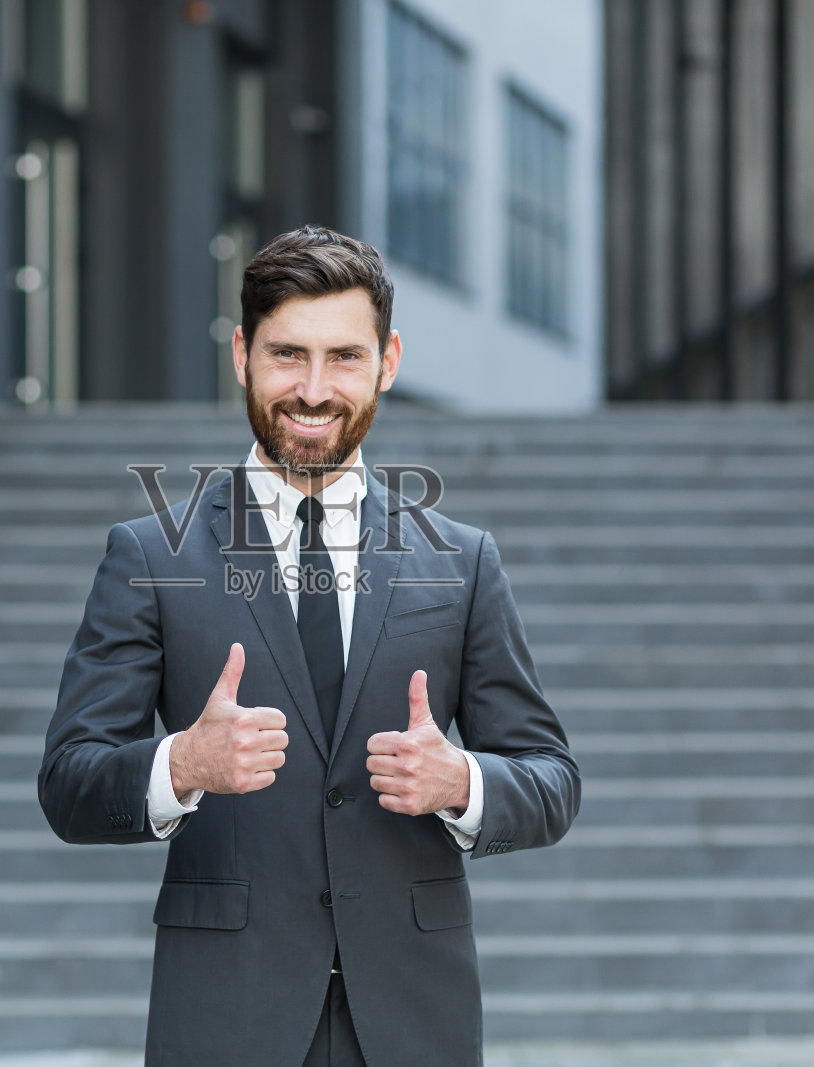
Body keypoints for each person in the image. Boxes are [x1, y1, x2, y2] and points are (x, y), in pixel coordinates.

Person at [38, 225, 580, 1066]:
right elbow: (69, 784)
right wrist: (181, 764)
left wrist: (462, 779)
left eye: (345, 357)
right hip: (226, 1014)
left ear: (388, 361)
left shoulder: (463, 561)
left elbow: (551, 778)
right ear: (242, 355)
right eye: (288, 354)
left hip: (414, 1017)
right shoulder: (152, 556)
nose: (315, 389)